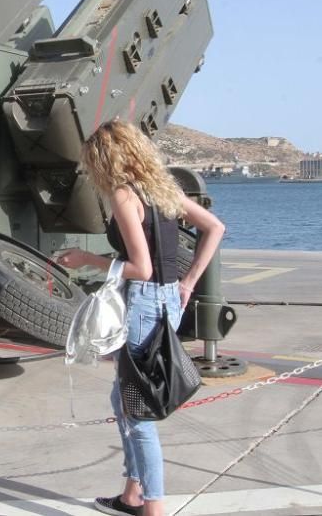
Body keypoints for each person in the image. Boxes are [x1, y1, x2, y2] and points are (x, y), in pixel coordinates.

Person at [53, 121, 225, 516]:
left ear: (104, 160)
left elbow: (141, 267)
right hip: (168, 302)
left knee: (138, 412)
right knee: (123, 396)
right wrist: (187, 283)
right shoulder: (162, 188)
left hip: (145, 303)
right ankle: (132, 493)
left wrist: (86, 259)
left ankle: (153, 507)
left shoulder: (124, 195)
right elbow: (215, 227)